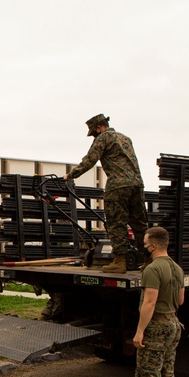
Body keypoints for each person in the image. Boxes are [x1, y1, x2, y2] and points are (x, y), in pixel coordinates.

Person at [119, 226, 185, 377]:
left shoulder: (152, 269)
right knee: (167, 373)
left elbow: (149, 301)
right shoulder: (177, 268)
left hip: (156, 327)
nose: (144, 248)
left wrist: (139, 332)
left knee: (148, 375)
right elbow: (181, 300)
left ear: (153, 246)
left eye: (145, 244)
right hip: (173, 323)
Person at [64, 113, 147, 273]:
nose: (94, 137)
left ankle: (120, 261)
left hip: (118, 185)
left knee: (116, 222)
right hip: (137, 184)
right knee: (139, 224)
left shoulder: (103, 138)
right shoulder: (125, 138)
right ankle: (149, 260)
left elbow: (90, 160)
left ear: (99, 127)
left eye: (94, 133)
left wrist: (70, 175)